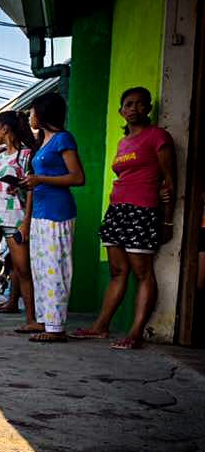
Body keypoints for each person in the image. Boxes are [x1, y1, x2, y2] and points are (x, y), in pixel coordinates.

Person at [71, 87, 175, 349]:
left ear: (148, 108)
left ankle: (136, 332)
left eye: (140, 104)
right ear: (121, 111)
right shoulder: (123, 142)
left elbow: (170, 182)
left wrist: (167, 220)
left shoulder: (158, 137)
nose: (134, 108)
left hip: (142, 209)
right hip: (117, 210)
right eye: (128, 104)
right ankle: (100, 327)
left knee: (142, 273)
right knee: (118, 271)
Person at [20, 92, 85, 343]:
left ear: (44, 113)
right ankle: (47, 322)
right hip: (40, 213)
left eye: (33, 111)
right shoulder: (42, 143)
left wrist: (40, 180)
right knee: (40, 270)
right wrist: (30, 184)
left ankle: (56, 328)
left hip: (58, 212)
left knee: (55, 268)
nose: (30, 116)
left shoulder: (63, 139)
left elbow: (78, 177)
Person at [0, 111, 41, 334]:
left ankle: (31, 318)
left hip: (16, 216)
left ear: (5, 129)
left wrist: (27, 222)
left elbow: (31, 190)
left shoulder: (28, 155)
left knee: (23, 269)